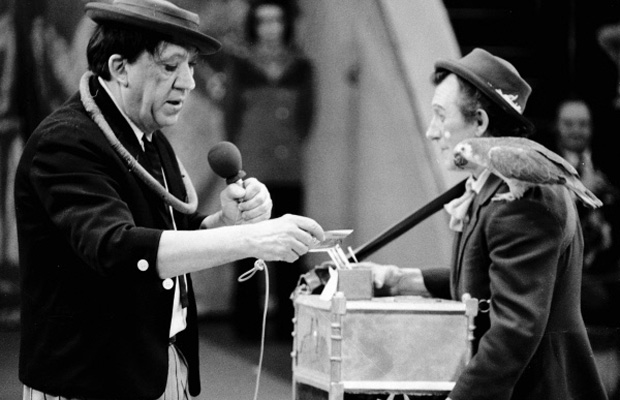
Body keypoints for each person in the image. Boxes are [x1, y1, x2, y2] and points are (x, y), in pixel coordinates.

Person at [13, 1, 325, 399]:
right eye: (170, 66)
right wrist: (252, 240)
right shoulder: (66, 142)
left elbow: (165, 231)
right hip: (92, 378)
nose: (188, 82)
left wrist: (222, 223)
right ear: (120, 67)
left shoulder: (146, 133)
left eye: (190, 65)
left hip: (155, 364)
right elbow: (118, 248)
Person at [367, 48, 608, 400]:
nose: (432, 132)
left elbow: (514, 332)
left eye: (440, 116)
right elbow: (488, 280)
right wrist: (404, 280)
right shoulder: (492, 185)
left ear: (479, 123)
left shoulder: (523, 201)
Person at [205, 0, 315, 341]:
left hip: (289, 167)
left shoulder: (301, 66)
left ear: (286, 24)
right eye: (263, 21)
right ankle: (247, 325)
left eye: (276, 21)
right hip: (252, 165)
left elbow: (306, 118)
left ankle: (288, 323)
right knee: (247, 244)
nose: (270, 28)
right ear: (254, 25)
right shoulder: (241, 64)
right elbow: (230, 116)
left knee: (291, 244)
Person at [551, 97, 620, 399]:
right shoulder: (548, 169)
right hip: (569, 280)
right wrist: (584, 195)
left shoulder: (610, 164)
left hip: (608, 280)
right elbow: (550, 225)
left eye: (583, 124)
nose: (576, 131)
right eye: (569, 124)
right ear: (557, 128)